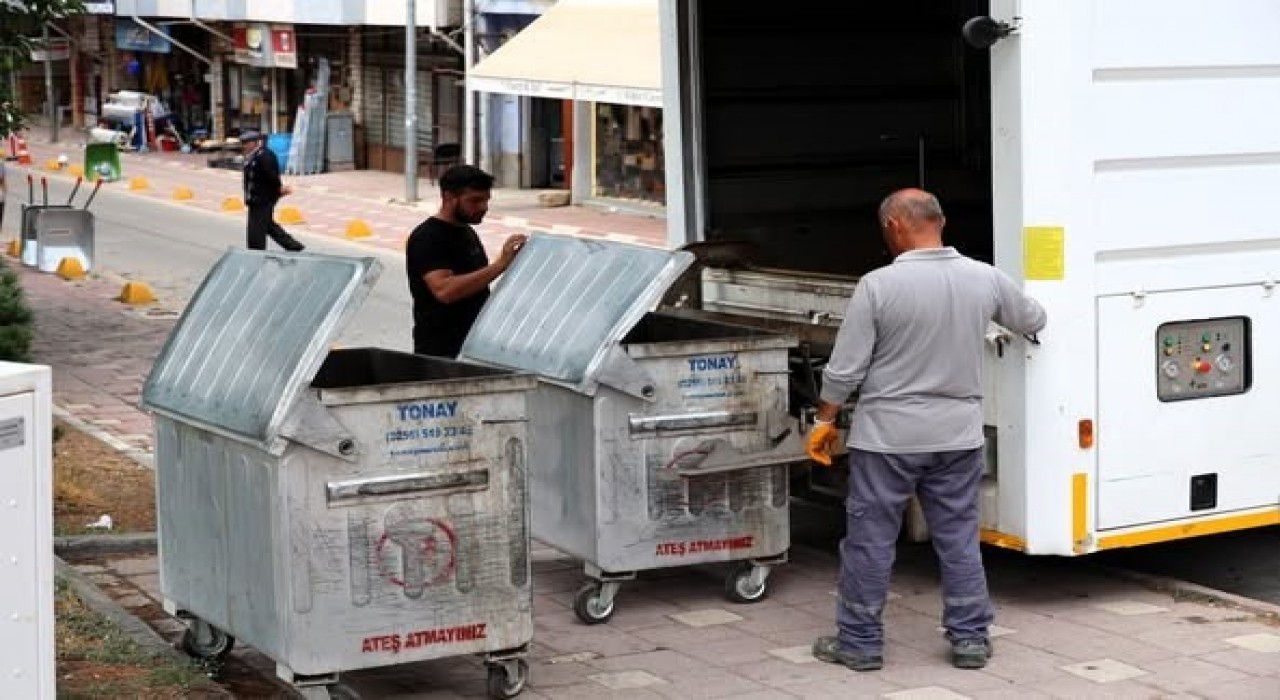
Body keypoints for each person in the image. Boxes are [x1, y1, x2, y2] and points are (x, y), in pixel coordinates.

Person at [807, 188, 1047, 672]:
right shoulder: (985, 278)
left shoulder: (877, 286)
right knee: (958, 537)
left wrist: (825, 420)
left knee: (870, 541)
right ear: (940, 221)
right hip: (957, 436)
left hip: (887, 440)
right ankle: (970, 640)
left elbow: (845, 369)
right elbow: (1034, 318)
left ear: (896, 226)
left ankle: (859, 644)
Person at [405, 165, 526, 358]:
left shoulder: (466, 232)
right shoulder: (428, 237)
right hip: (442, 352)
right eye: (475, 201)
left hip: (473, 345)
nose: (483, 207)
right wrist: (500, 265)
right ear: (449, 198)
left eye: (486, 200)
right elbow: (445, 290)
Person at [240, 131, 304, 252]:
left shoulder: (265, 155)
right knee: (268, 225)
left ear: (255, 142)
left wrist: (279, 189)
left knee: (256, 228)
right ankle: (293, 246)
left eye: (247, 143)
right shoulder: (253, 155)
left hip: (263, 198)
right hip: (255, 198)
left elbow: (272, 176)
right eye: (243, 143)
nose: (244, 146)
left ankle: (256, 252)